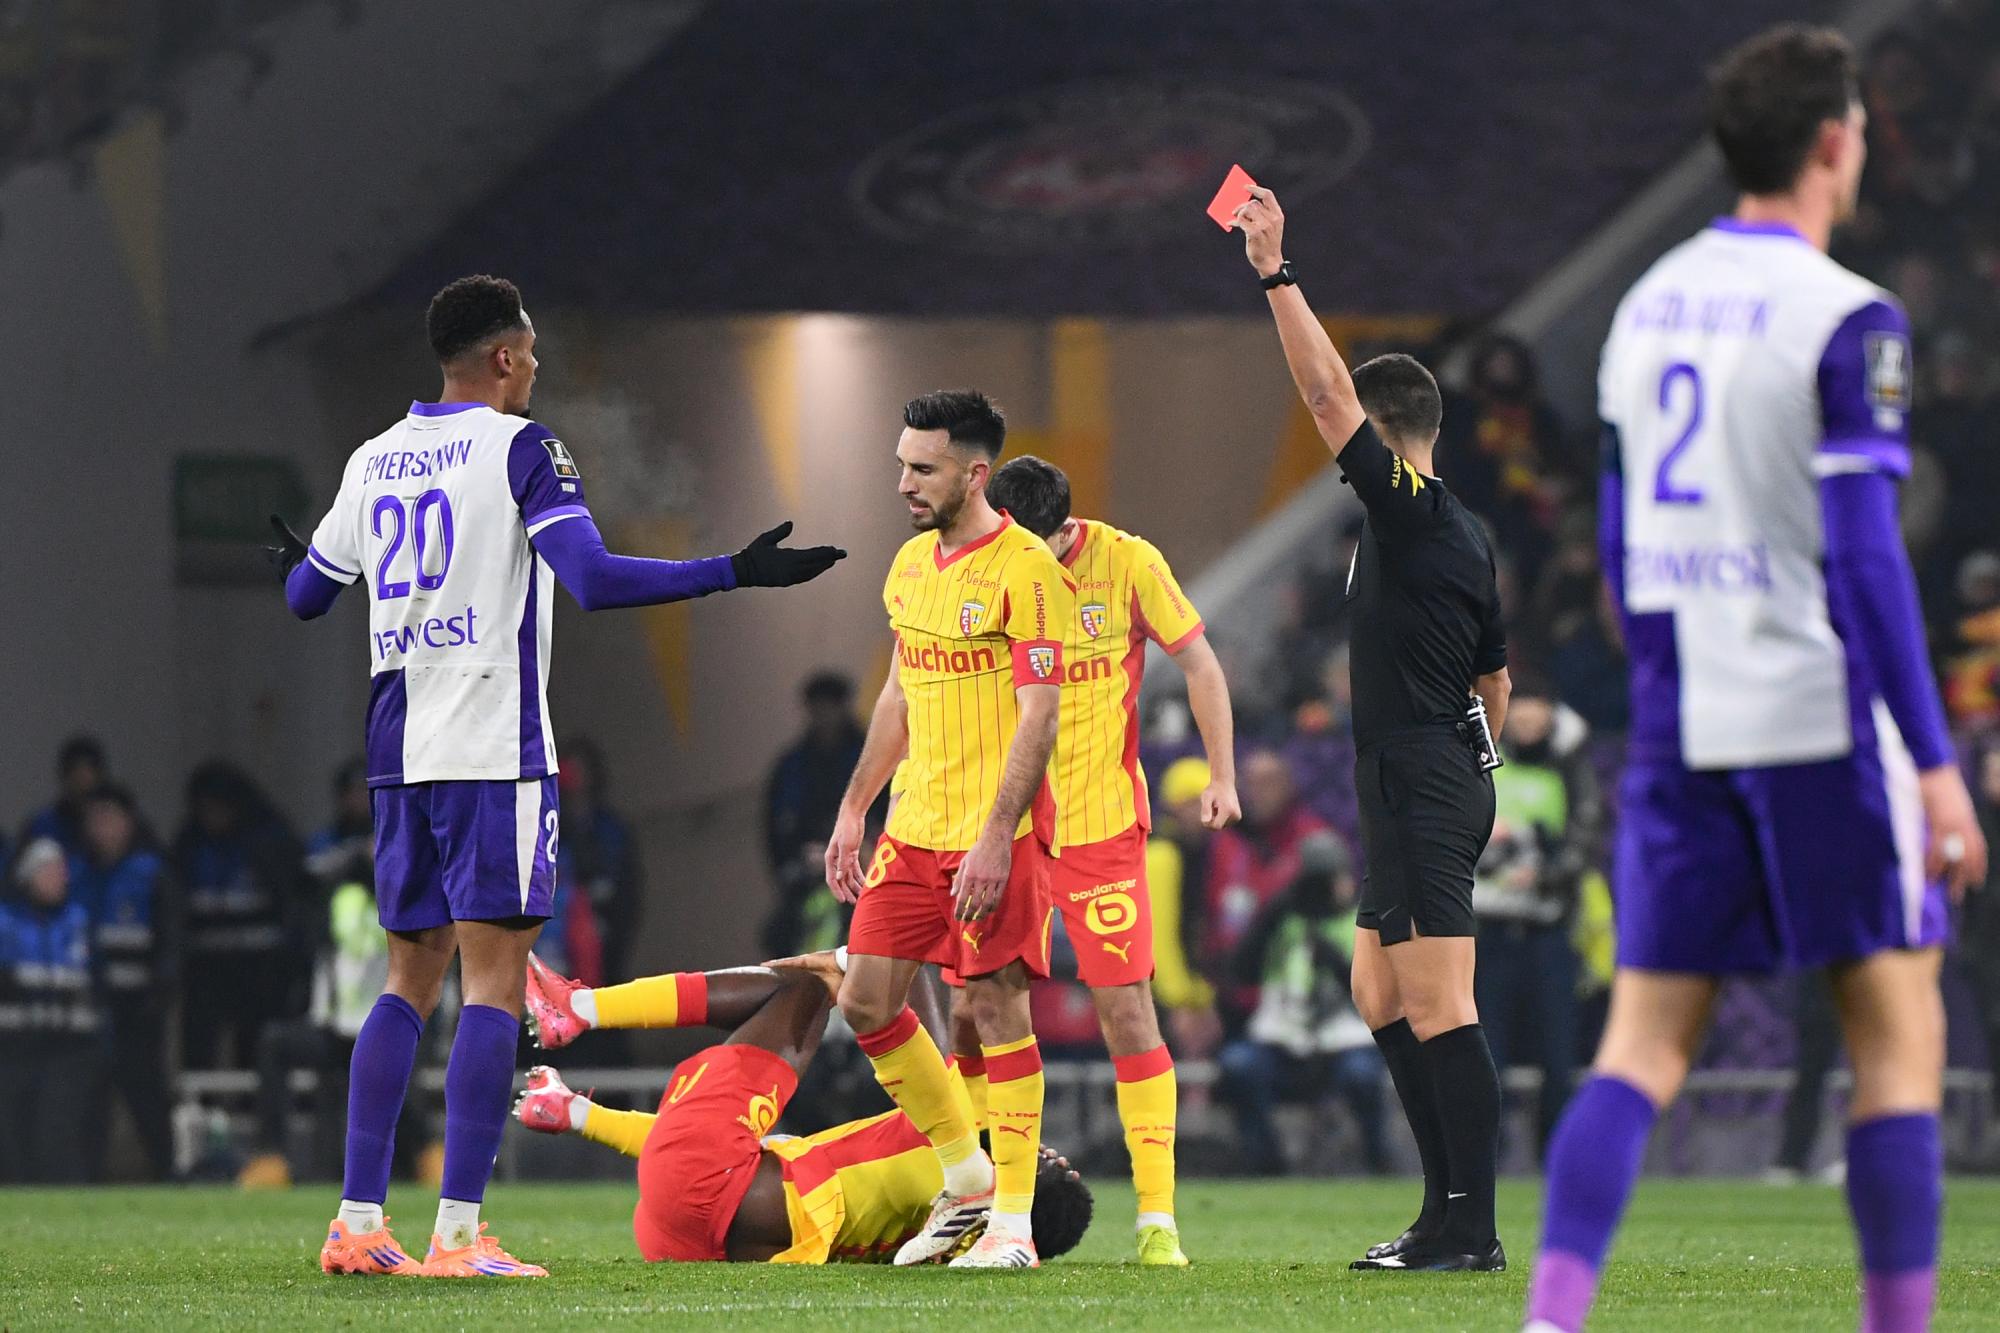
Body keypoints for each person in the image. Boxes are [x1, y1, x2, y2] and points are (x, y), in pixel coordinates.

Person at [1526, 26, 1989, 1333]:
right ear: (1836, 144)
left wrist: (1678, 690)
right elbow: (1865, 562)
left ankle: (1549, 1322)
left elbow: (1617, 558)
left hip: (1686, 727)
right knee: (1899, 1036)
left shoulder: (1647, 303)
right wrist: (1938, 764)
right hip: (1819, 724)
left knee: (1642, 1047)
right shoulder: (1848, 318)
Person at [272, 273, 845, 1279]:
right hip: (492, 748)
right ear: (502, 356)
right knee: (492, 985)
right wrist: (730, 572)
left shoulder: (373, 458)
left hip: (398, 755)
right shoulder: (523, 447)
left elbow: (306, 596)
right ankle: (457, 1234)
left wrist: (313, 557)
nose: (534, 367)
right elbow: (590, 579)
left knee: (406, 983)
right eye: (529, 351)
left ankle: (356, 1222)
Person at [1233, 186, 1511, 1272]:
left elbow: (1317, 392)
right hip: (1417, 772)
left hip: (1422, 774)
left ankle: (1469, 1231)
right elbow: (1496, 669)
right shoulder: (1459, 534)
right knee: (1377, 991)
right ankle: (1442, 1213)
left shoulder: (1413, 509)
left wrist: (1274, 270)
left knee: (1438, 999)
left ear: (1382, 432)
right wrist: (1474, 752)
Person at [820, 389, 1073, 1269]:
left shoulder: (1028, 568)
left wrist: (1001, 834)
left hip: (988, 831)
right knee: (863, 999)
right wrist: (857, 807)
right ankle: (964, 1176)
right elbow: (898, 694)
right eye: (901, 463)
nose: (903, 482)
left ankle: (1013, 1221)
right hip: (912, 828)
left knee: (995, 1006)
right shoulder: (908, 567)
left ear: (975, 472)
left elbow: (1040, 713)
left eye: (921, 467)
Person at [975, 453, 1241, 1263]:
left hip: (1099, 829)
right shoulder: (979, 568)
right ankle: (990, 1209)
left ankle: (1157, 1220)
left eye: (1041, 545)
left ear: (1064, 529)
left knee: (1127, 1010)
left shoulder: (1126, 561)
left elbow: (1199, 662)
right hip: (1007, 828)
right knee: (974, 1011)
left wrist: (1222, 772)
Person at [516, 950, 1094, 1264]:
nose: (1050, 1151)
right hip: (686, 1242)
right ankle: (569, 1109)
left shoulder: (971, 1150)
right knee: (741, 1146)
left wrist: (896, 929)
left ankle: (579, 1008)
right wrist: (580, 1116)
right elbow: (677, 1158)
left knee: (800, 987)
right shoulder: (957, 1237)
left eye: (1058, 1170)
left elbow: (953, 1025)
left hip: (711, 1187)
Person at [1470, 683, 1602, 1161]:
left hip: (1548, 928)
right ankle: (1486, 1155)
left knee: (1557, 1052)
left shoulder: (1567, 771)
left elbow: (1584, 838)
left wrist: (1547, 874)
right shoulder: (1482, 761)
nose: (1526, 721)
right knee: (1486, 1048)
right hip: (1491, 927)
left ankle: (1556, 1155)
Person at [1218, 831, 1389, 1176]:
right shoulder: (1283, 918)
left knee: (1362, 1076)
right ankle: (1265, 1162)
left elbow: (1379, 995)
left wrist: (1337, 963)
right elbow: (1239, 972)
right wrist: (1273, 916)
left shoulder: (1363, 920)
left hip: (1344, 1040)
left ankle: (1378, 1158)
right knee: (1239, 1066)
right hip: (1281, 1039)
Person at [172, 760, 314, 1071]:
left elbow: (294, 908)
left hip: (262, 971)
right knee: (198, 1053)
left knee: (256, 1052)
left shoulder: (270, 842)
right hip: (206, 970)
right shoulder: (190, 846)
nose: (212, 817)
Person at [71, 784, 179, 1181]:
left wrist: (159, 997)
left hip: (139, 1008)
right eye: (94, 818)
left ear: (128, 822)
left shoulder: (149, 873)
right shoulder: (79, 874)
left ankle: (165, 1172)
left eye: (109, 817)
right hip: (86, 1008)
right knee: (88, 1098)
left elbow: (170, 940)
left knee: (147, 1092)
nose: (102, 827)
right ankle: (87, 1179)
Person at [0, 839, 105, 1184]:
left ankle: (68, 1200)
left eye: (61, 871)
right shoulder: (6, 923)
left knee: (56, 1130)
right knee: (10, 1131)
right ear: (28, 877)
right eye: (48, 871)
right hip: (13, 1047)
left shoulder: (77, 921)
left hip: (69, 1048)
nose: (58, 878)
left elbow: (95, 980)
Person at [763, 674, 874, 958]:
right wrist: (796, 862)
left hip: (866, 875)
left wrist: (862, 850)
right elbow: (776, 830)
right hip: (808, 882)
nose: (824, 716)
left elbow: (886, 811)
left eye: (830, 706)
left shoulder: (869, 756)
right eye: (818, 707)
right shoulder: (792, 767)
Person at [20, 734, 109, 857]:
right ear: (64, 777)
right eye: (76, 775)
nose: (82, 783)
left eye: (87, 775)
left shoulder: (114, 825)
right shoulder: (42, 825)